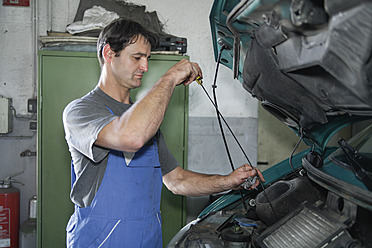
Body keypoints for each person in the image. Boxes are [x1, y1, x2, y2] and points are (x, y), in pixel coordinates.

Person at [62, 18, 264, 248]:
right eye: (137, 57)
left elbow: (176, 180)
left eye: (148, 58)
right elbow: (131, 137)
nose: (145, 67)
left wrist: (228, 181)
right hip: (101, 241)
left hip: (147, 241)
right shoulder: (81, 111)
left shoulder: (146, 121)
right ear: (109, 53)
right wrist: (169, 77)